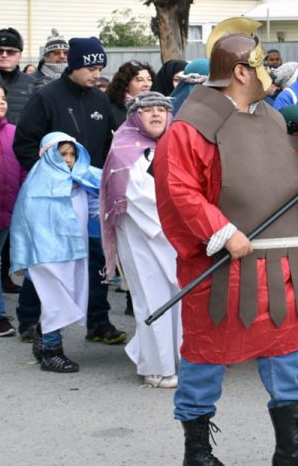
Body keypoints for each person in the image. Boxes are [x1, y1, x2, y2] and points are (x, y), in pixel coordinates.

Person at [153, 18, 298, 465]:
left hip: (283, 263)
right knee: (207, 353)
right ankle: (197, 454)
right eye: (260, 64)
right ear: (240, 71)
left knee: (287, 349)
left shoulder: (271, 116)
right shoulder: (190, 127)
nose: (268, 73)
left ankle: (291, 447)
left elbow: (267, 176)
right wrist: (221, 231)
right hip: (225, 264)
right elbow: (178, 189)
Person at [13, 37, 125, 346]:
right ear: (74, 65)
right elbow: (23, 144)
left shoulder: (100, 101)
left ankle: (98, 321)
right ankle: (30, 318)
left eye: (100, 67)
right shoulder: (46, 97)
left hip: (90, 193)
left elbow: (106, 147)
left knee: (97, 257)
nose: (96, 73)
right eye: (90, 67)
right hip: (54, 195)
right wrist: (53, 175)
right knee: (47, 258)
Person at [101, 91, 182, 388]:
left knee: (179, 299)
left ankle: (176, 358)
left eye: (162, 109)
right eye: (149, 111)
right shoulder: (123, 150)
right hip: (143, 238)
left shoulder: (176, 145)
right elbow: (138, 198)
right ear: (136, 116)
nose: (157, 115)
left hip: (176, 240)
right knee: (152, 299)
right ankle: (155, 366)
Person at [10, 133, 101, 372]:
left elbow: (96, 210)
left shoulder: (81, 181)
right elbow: (24, 224)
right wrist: (23, 258)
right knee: (56, 301)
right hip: (48, 255)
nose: (69, 159)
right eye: (63, 155)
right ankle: (52, 351)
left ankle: (43, 338)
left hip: (75, 253)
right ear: (49, 156)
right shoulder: (36, 187)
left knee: (67, 299)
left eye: (73, 154)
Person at [0, 83, 24, 336]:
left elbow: (24, 169)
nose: (1, 102)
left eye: (3, 97)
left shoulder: (14, 132)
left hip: (7, 210)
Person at [0, 27, 35, 124]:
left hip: (22, 137)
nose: (4, 55)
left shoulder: (33, 84)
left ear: (20, 56)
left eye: (10, 52)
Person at [105, 61, 155, 129]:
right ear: (126, 84)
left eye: (149, 79)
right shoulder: (112, 110)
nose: (147, 84)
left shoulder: (158, 107)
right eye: (140, 80)